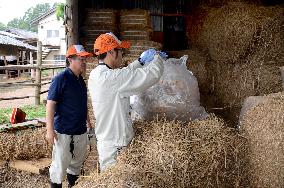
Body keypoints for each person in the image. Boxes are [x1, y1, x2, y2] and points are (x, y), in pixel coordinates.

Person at [88, 32, 167, 171]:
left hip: (109, 141)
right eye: (121, 50)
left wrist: (140, 62)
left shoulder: (97, 74)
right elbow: (151, 76)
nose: (122, 54)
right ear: (111, 52)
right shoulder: (111, 78)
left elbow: (124, 75)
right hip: (116, 146)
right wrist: (157, 59)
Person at [46, 45, 93, 188]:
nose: (84, 62)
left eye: (85, 59)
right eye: (81, 59)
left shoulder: (81, 80)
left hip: (80, 130)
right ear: (70, 60)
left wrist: (88, 122)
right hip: (63, 131)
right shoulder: (60, 78)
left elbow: (82, 104)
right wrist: (49, 130)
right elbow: (50, 104)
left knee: (76, 164)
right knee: (59, 166)